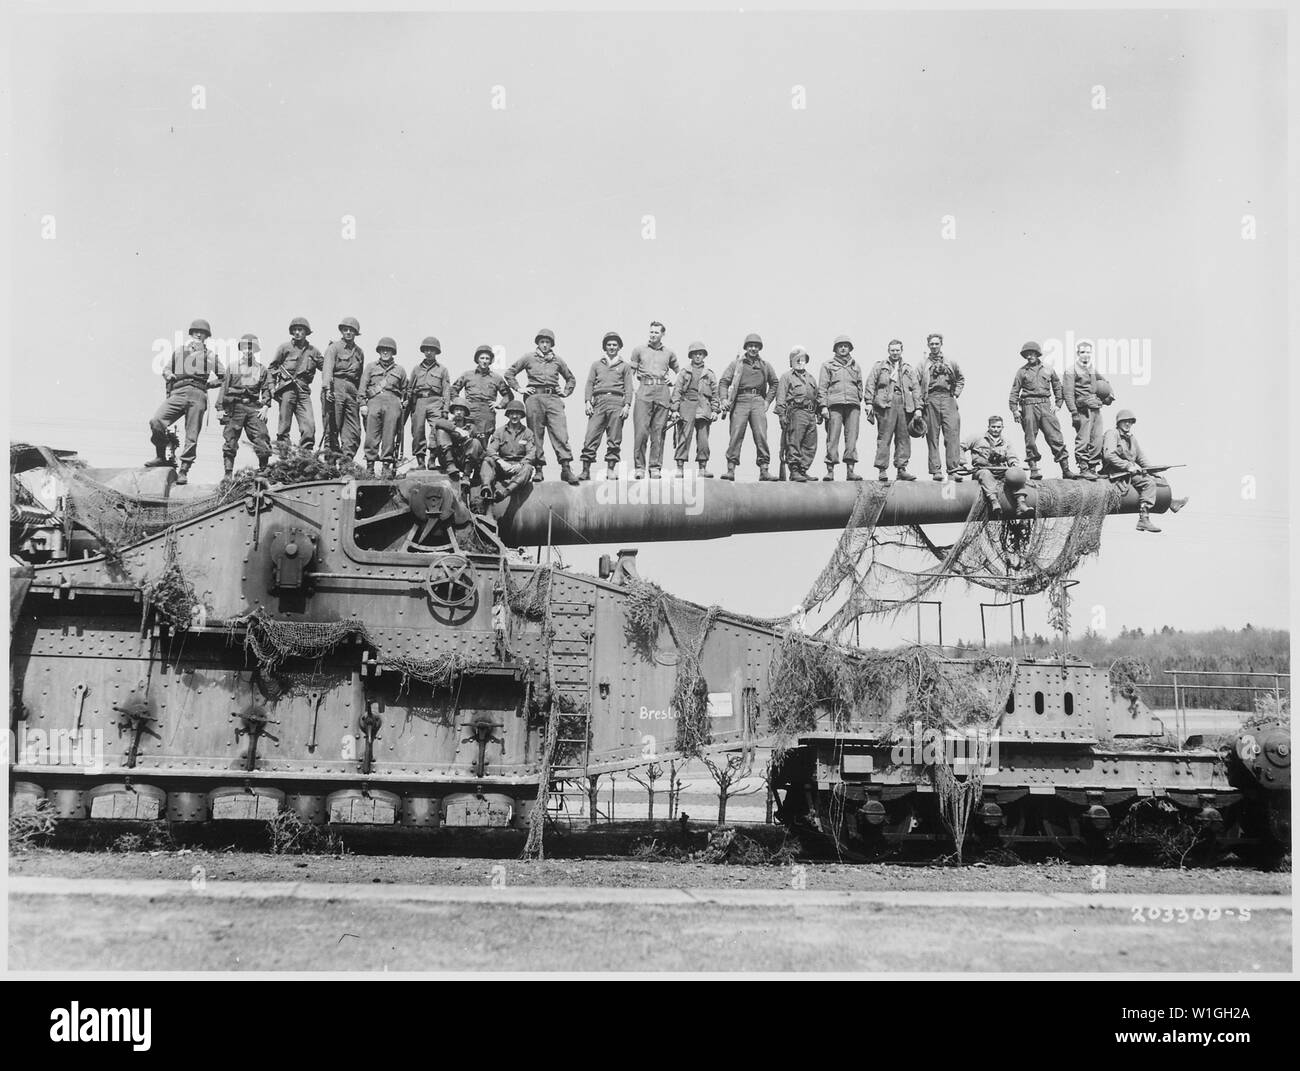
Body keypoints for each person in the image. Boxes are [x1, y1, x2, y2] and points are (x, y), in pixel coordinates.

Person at [147, 317, 222, 485]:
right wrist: (168, 374)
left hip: (198, 394)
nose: (198, 335)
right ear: (191, 334)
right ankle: (161, 456)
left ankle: (184, 470)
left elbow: (224, 377)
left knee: (192, 435)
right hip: (178, 391)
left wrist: (209, 385)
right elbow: (166, 368)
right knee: (157, 421)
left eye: (202, 333)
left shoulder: (210, 356)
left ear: (206, 337)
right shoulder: (179, 351)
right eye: (196, 332)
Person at [504, 328, 579, 485]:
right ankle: (538, 469)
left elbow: (571, 378)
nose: (545, 345)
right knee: (536, 435)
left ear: (552, 344)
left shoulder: (557, 360)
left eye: (547, 342)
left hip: (553, 398)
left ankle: (566, 468)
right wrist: (519, 388)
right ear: (538, 343)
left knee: (560, 433)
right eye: (542, 342)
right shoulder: (528, 357)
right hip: (534, 398)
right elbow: (510, 373)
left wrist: (565, 391)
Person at [1008, 340, 1078, 480]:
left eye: (1032, 353)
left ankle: (1066, 469)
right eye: (1027, 354)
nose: (1029, 356)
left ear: (1037, 354)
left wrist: (1058, 404)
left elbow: (1057, 386)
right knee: (1030, 439)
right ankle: (1034, 469)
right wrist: (1015, 409)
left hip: (1046, 405)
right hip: (1028, 407)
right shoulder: (1022, 372)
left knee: (1055, 437)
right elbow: (1014, 391)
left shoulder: (1048, 369)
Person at [718, 334, 780, 481]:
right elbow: (724, 382)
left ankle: (764, 469)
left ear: (759, 348)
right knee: (736, 434)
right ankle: (731, 469)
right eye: (750, 345)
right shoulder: (736, 364)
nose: (753, 348)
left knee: (761, 435)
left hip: (758, 400)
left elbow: (774, 383)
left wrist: (767, 401)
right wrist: (724, 399)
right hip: (740, 400)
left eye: (756, 346)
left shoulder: (765, 365)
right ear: (746, 347)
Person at [866, 339, 922, 482]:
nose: (895, 353)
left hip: (903, 405)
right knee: (884, 437)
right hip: (886, 405)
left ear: (901, 351)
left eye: (897, 350)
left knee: (903, 438)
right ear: (888, 351)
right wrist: (868, 403)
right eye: (892, 350)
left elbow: (916, 388)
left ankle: (901, 469)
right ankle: (882, 470)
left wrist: (918, 408)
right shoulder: (880, 366)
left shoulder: (908, 369)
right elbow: (871, 383)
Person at [629, 321, 679, 479]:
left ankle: (655, 467)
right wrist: (633, 391)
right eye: (651, 332)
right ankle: (639, 467)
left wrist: (674, 382)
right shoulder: (638, 350)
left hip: (662, 392)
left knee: (658, 431)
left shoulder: (669, 353)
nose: (653, 335)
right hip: (644, 390)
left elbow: (680, 372)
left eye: (656, 332)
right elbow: (629, 374)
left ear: (663, 334)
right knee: (641, 431)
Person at [580, 331, 634, 480]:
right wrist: (587, 402)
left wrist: (627, 405)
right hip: (598, 402)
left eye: (614, 345)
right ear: (605, 347)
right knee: (591, 436)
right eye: (609, 345)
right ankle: (585, 471)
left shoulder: (625, 366)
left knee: (614, 438)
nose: (611, 347)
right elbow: (589, 384)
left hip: (617, 402)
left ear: (619, 347)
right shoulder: (596, 364)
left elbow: (629, 387)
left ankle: (610, 469)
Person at [216, 333, 272, 475]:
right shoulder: (233, 366)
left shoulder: (262, 369)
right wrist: (220, 408)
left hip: (253, 407)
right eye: (245, 347)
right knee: (230, 439)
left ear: (255, 350)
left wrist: (265, 406)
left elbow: (266, 389)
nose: (248, 350)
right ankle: (228, 474)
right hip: (235, 407)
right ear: (241, 349)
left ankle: (264, 469)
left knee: (262, 435)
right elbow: (224, 387)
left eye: (251, 347)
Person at [268, 316, 324, 455]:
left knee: (309, 426)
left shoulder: (313, 351)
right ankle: (283, 458)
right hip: (287, 390)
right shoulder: (284, 348)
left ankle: (305, 457)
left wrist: (330, 354)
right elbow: (272, 369)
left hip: (303, 391)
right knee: (284, 426)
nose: (297, 332)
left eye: (301, 330)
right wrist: (272, 388)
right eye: (295, 330)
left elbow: (325, 367)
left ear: (306, 332)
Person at [1102, 409, 1164, 533]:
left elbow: (1140, 457)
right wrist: (1128, 466)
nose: (1128, 424)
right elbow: (1109, 455)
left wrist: (1155, 472)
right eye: (1125, 421)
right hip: (1115, 472)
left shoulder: (1131, 439)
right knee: (1148, 483)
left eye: (1130, 422)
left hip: (1129, 472)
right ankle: (1143, 519)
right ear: (1119, 422)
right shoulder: (1112, 434)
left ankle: (1171, 503)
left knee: (1155, 479)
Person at [917, 332, 965, 482]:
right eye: (932, 344)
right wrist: (919, 405)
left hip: (948, 398)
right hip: (930, 399)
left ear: (941, 344)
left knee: (952, 434)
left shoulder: (951, 362)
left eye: (937, 343)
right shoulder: (922, 364)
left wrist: (956, 394)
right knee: (932, 436)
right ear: (928, 345)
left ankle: (953, 470)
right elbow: (915, 384)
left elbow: (961, 379)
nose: (934, 346)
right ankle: (936, 470)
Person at [358, 337, 408, 479]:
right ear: (379, 351)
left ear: (393, 352)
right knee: (371, 435)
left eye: (388, 350)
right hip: (374, 401)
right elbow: (362, 387)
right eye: (383, 350)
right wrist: (362, 403)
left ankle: (386, 466)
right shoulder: (371, 367)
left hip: (393, 402)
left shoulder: (400, 370)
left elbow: (406, 389)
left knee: (389, 435)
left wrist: (404, 402)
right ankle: (370, 467)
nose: (385, 352)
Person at [1062, 340, 1113, 480]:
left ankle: (1092, 468)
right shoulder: (1071, 370)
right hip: (1082, 408)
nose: (1085, 355)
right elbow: (1068, 394)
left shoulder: (1091, 369)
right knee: (1083, 439)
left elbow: (1105, 382)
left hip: (1095, 407)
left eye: (1088, 352)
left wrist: (1110, 395)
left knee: (1097, 439)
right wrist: (1073, 413)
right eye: (1082, 352)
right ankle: (1083, 467)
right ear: (1078, 353)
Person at [817, 334, 864, 481]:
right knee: (833, 438)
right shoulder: (827, 365)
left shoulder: (855, 365)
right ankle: (830, 470)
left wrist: (857, 398)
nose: (843, 348)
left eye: (846, 346)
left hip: (852, 405)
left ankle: (850, 470)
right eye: (840, 346)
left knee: (851, 438)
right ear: (835, 349)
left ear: (850, 348)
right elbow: (822, 387)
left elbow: (860, 385)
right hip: (834, 405)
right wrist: (823, 406)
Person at [670, 341, 720, 477]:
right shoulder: (684, 372)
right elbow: (677, 390)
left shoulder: (709, 373)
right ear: (691, 356)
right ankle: (680, 468)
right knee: (684, 437)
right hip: (686, 405)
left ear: (704, 355)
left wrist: (715, 410)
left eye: (700, 354)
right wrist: (674, 409)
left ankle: (702, 468)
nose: (698, 356)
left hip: (704, 407)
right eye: (695, 354)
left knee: (703, 439)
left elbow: (715, 393)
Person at [321, 317, 365, 459]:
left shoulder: (359, 352)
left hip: (352, 390)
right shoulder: (334, 348)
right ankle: (330, 464)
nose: (348, 332)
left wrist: (361, 396)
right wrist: (328, 389)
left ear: (355, 333)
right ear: (341, 331)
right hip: (336, 387)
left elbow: (360, 376)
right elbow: (327, 369)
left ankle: (346, 462)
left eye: (351, 330)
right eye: (345, 330)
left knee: (354, 430)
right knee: (332, 427)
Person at [480, 399, 537, 507]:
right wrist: (501, 462)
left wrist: (520, 464)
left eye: (517, 413)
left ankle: (505, 492)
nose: (514, 416)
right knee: (487, 461)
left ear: (521, 416)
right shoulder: (500, 432)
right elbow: (490, 449)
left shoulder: (528, 433)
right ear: (508, 415)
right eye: (512, 413)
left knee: (528, 468)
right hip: (503, 465)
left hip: (518, 467)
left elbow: (532, 452)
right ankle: (486, 487)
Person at [969, 415, 1028, 517]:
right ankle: (994, 501)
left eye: (998, 427)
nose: (996, 429)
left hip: (1000, 471)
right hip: (981, 470)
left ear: (1002, 428)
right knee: (985, 474)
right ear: (989, 427)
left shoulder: (1006, 442)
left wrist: (1014, 464)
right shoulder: (977, 439)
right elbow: (961, 446)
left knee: (1015, 474)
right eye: (993, 427)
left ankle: (1021, 503)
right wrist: (962, 463)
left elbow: (1011, 456)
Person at [775, 347, 819, 482]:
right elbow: (780, 397)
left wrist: (819, 413)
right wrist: (781, 415)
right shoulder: (787, 377)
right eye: (798, 359)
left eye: (803, 359)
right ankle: (794, 470)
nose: (801, 362)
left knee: (810, 444)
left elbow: (815, 396)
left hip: (811, 413)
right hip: (796, 412)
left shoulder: (811, 378)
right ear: (792, 361)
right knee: (794, 441)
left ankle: (803, 470)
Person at [408, 336, 453, 470]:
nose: (429, 352)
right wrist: (409, 402)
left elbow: (446, 390)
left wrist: (445, 409)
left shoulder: (442, 369)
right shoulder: (416, 369)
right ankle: (420, 462)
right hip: (419, 401)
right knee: (417, 431)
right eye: (426, 350)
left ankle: (432, 459)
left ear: (436, 352)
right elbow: (409, 388)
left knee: (437, 429)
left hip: (436, 401)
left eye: (432, 350)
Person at [452, 345, 513, 442]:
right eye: (482, 358)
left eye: (487, 358)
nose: (484, 361)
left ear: (490, 361)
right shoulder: (467, 375)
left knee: (483, 443)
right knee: (466, 440)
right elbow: (453, 390)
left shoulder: (496, 378)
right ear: (477, 359)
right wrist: (460, 404)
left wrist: (500, 404)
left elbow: (508, 396)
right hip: (470, 412)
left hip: (487, 413)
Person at [428, 399, 485, 485]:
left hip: (463, 460)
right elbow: (438, 423)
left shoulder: (472, 427)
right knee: (441, 431)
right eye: (456, 410)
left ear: (465, 412)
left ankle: (466, 476)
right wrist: (456, 430)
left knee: (475, 442)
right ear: (453, 411)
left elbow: (480, 448)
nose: (458, 412)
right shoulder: (447, 423)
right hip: (448, 459)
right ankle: (450, 466)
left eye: (461, 410)